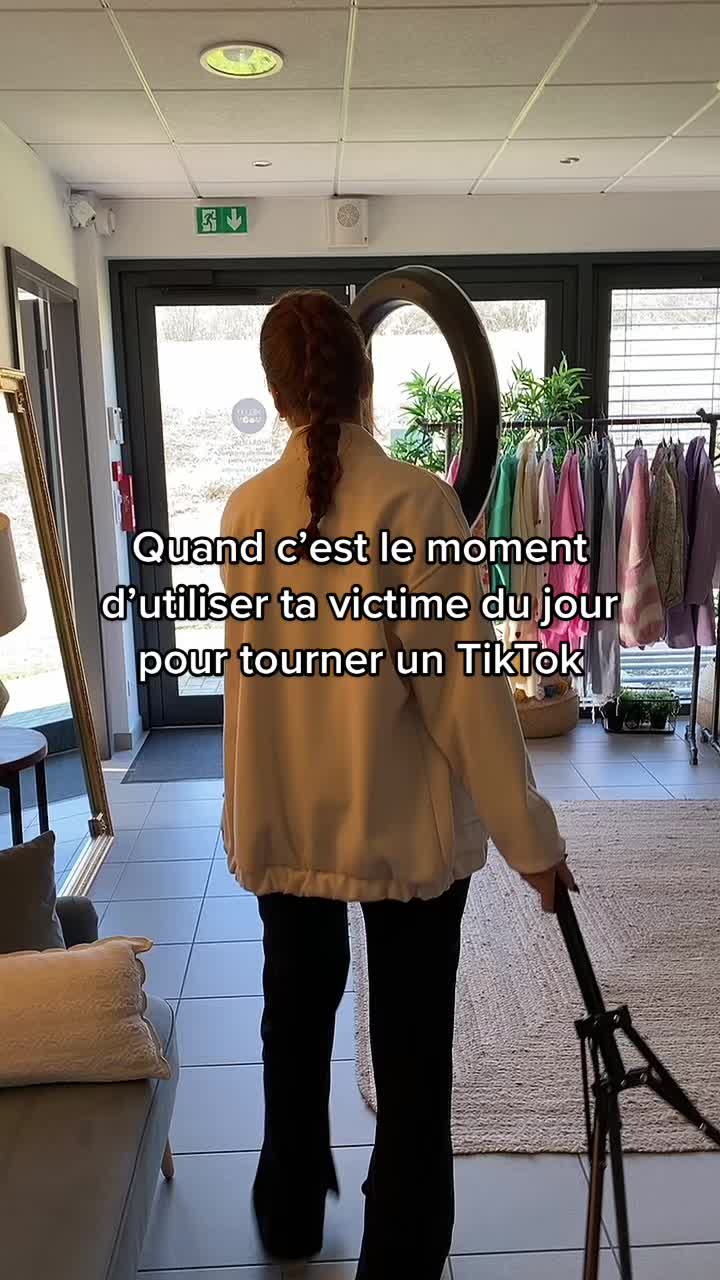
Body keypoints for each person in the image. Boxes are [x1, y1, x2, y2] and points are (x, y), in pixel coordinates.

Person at [220, 290, 574, 1280]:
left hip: (289, 827)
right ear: (365, 379)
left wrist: (245, 822)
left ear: (277, 392)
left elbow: (250, 694)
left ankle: (290, 1208)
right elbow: (468, 700)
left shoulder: (245, 510)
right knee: (414, 1048)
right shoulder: (418, 504)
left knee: (293, 1020)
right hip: (404, 835)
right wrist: (533, 844)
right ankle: (403, 1252)